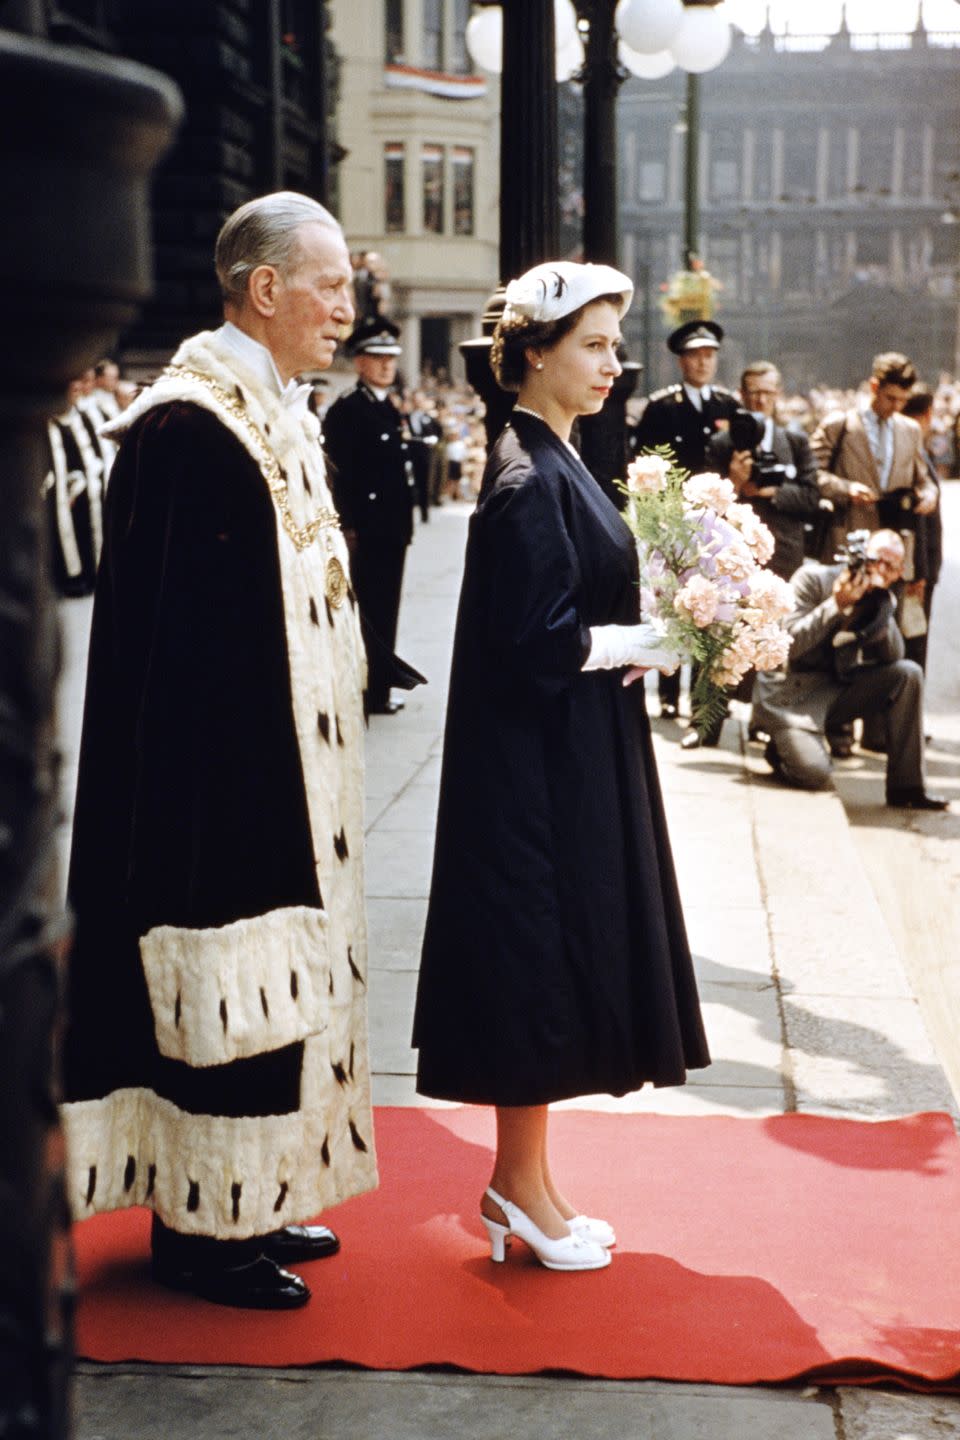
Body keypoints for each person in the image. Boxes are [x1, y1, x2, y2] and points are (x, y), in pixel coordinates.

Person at [61, 191, 378, 1310]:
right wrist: (215, 809)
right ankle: (201, 1231)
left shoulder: (273, 408)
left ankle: (258, 1186)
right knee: (226, 988)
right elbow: (176, 656)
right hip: (219, 787)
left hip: (286, 769)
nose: (348, 306)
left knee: (277, 1005)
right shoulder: (189, 426)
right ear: (265, 289)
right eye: (331, 286)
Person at [412, 261, 711, 1273]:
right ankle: (516, 1194)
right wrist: (643, 644)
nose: (612, 364)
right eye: (592, 345)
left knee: (544, 963)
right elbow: (537, 641)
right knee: (531, 967)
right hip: (530, 769)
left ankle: (526, 1188)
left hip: (560, 753)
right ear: (532, 354)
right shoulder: (525, 475)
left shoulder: (552, 455)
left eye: (616, 347)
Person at [752, 529, 948, 810]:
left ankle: (907, 788)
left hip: (835, 687)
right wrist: (836, 604)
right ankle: (779, 749)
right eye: (879, 560)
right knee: (815, 773)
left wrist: (880, 605)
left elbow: (894, 655)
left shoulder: (882, 597)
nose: (883, 570)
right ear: (861, 556)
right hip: (791, 695)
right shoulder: (813, 578)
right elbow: (789, 646)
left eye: (892, 567)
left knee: (908, 674)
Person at [633, 319, 738, 719]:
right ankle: (666, 691)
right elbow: (645, 465)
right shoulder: (661, 408)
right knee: (674, 604)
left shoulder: (728, 407)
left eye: (709, 356)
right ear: (681, 362)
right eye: (695, 356)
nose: (703, 363)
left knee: (714, 607)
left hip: (716, 525)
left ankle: (704, 696)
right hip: (675, 522)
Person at [323, 316, 415, 715]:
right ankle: (363, 689)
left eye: (390, 359)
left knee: (385, 608)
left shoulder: (387, 408)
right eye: (377, 358)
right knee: (365, 612)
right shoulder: (348, 410)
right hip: (364, 530)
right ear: (359, 363)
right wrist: (346, 525)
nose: (386, 366)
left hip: (392, 529)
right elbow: (338, 475)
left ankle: (377, 688)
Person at [899, 388, 943, 676]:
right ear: (928, 414)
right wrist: (919, 574)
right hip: (916, 572)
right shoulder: (912, 453)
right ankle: (907, 719)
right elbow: (918, 523)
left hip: (918, 569)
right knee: (912, 646)